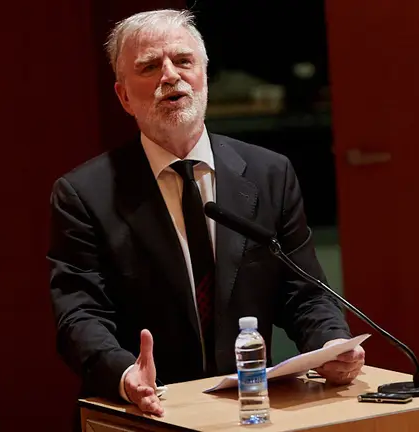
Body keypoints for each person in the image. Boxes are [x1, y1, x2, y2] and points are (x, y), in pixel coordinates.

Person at [47, 9, 364, 417]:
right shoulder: (84, 195)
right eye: (149, 67)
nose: (170, 76)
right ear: (124, 97)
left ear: (204, 78)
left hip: (249, 405)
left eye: (183, 61)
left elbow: (304, 292)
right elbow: (79, 315)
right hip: (149, 409)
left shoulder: (270, 173)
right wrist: (125, 374)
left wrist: (330, 346)